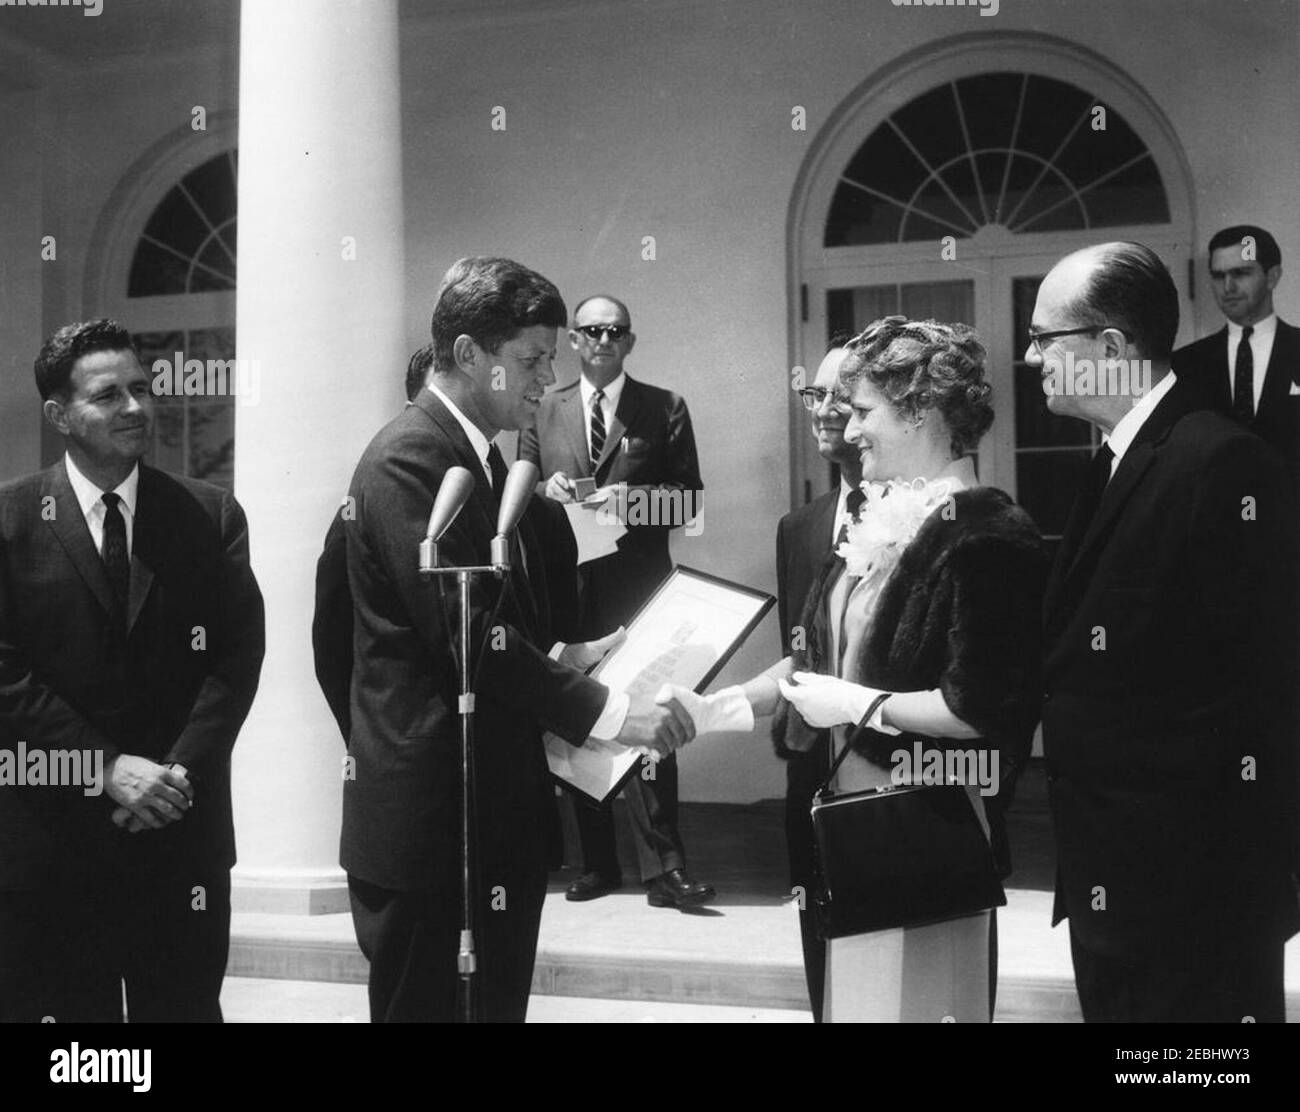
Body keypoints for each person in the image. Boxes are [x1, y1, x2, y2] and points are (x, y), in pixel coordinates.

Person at [340, 258, 694, 1022]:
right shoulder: (411, 458)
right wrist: (607, 712)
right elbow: (464, 633)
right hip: (436, 828)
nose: (545, 381)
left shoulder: (478, 458)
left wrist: (566, 655)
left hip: (490, 814)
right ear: (470, 355)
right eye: (531, 361)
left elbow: (494, 623)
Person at [674, 317, 1046, 1021]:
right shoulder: (870, 523)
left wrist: (856, 704)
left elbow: (980, 712)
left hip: (931, 834)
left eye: (866, 411)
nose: (850, 432)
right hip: (850, 838)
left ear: (922, 412)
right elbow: (813, 659)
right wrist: (710, 711)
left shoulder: (990, 535)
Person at [1028, 241, 1299, 1022]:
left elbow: (1267, 693)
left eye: (1046, 340)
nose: (1032, 356)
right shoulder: (1117, 461)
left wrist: (1236, 897)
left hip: (1195, 903)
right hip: (1117, 884)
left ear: (1110, 348)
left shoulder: (1223, 464)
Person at [0, 319, 265, 1022]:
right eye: (108, 395)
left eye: (141, 389)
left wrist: (174, 774)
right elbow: (5, 675)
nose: (134, 407)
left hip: (179, 842)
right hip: (51, 847)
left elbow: (234, 661)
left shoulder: (209, 516)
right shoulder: (10, 521)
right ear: (60, 415)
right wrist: (107, 768)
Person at [519, 295, 712, 909]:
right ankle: (597, 862)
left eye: (616, 331)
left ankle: (666, 868)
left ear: (629, 342)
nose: (603, 340)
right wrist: (545, 491)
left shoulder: (663, 407)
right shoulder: (543, 408)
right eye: (591, 331)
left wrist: (629, 503)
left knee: (650, 720)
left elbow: (690, 506)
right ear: (573, 340)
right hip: (569, 592)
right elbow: (516, 492)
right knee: (579, 717)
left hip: (638, 593)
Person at [774, 342, 859, 1020]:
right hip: (812, 790)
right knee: (824, 980)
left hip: (901, 794)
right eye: (815, 396)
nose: (825, 411)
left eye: (843, 393)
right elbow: (798, 662)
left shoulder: (947, 514)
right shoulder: (798, 529)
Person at [1173, 225, 1298, 484]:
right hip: (1217, 518)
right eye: (1218, 276)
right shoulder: (1185, 364)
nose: (1227, 286)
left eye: (1241, 273)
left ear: (1272, 276)